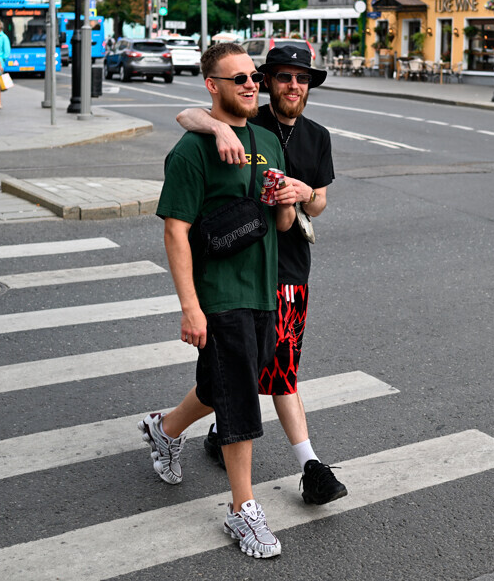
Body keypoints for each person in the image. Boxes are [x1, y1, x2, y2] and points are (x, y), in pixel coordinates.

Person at [143, 42, 300, 561]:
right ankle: (244, 510)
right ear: (213, 85)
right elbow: (175, 231)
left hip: (262, 289)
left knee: (221, 383)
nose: (251, 84)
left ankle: (164, 430)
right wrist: (190, 306)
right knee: (238, 398)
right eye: (238, 79)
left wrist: (287, 202)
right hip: (220, 294)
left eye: (253, 76)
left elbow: (278, 226)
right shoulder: (192, 150)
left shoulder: (267, 141)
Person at [176, 45, 346, 507]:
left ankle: (184, 428)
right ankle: (304, 466)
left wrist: (302, 192)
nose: (294, 86)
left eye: (303, 79)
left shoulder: (317, 136)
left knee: (260, 373)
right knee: (244, 376)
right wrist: (215, 126)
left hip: (289, 269)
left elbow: (320, 204)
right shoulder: (251, 116)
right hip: (242, 272)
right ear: (267, 80)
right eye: (284, 77)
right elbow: (189, 114)